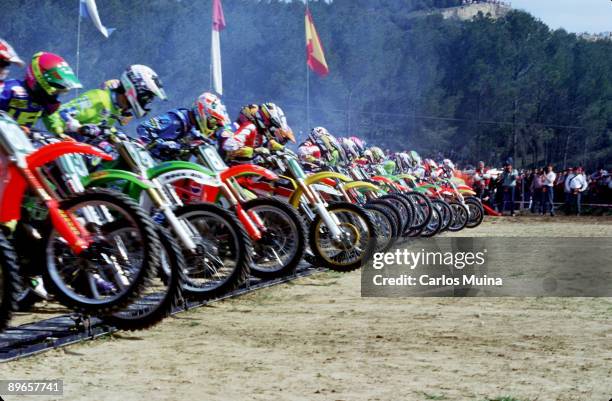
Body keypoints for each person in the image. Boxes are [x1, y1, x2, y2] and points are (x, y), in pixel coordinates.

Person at [46, 64, 166, 140]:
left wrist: (119, 136)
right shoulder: (99, 99)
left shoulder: (115, 108)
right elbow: (60, 113)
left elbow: (103, 129)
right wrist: (72, 127)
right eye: (147, 97)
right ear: (136, 89)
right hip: (60, 157)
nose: (147, 102)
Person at [0, 52, 81, 131]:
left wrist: (59, 133)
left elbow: (51, 118)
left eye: (60, 91)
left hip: (20, 142)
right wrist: (12, 127)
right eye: (55, 90)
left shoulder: (44, 105)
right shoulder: (13, 90)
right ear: (39, 80)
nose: (56, 94)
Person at [137, 91, 230, 160]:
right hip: (145, 161)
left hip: (164, 171)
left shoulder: (192, 130)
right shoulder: (174, 119)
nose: (214, 128)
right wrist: (162, 144)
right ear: (203, 113)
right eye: (213, 123)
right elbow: (144, 127)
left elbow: (207, 143)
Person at [223, 102, 295, 163]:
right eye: (270, 124)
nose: (271, 128)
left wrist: (284, 149)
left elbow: (271, 143)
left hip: (244, 167)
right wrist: (255, 151)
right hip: (228, 165)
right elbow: (229, 148)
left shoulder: (260, 133)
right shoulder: (237, 128)